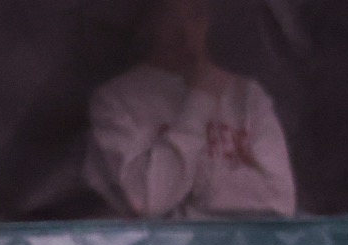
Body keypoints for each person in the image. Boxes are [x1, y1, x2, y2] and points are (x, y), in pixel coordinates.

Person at [85, 0, 295, 219]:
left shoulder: (247, 95)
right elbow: (148, 199)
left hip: (249, 241)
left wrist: (188, 201)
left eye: (196, 14)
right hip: (163, 243)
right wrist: (201, 99)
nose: (182, 28)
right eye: (171, 15)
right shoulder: (115, 101)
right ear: (149, 19)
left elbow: (281, 202)